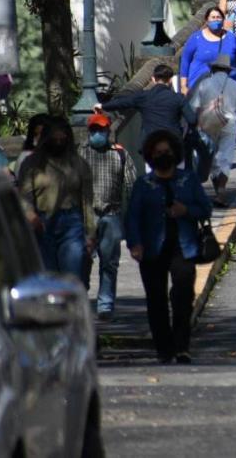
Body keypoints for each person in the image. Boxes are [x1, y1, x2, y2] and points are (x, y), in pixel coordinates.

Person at [126, 130, 212, 364]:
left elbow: (205, 208)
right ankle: (163, 348)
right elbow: (133, 216)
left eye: (167, 151)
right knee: (156, 300)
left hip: (184, 247)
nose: (163, 155)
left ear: (175, 153)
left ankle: (182, 346)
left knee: (183, 298)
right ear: (151, 156)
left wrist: (187, 211)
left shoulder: (188, 179)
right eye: (158, 152)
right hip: (152, 249)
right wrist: (134, 244)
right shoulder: (143, 184)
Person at [18, 117, 95, 282]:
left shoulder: (78, 164)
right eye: (55, 139)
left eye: (62, 139)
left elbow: (87, 200)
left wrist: (90, 233)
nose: (58, 142)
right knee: (49, 277)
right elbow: (24, 196)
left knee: (72, 276)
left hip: (72, 223)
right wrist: (30, 215)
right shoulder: (31, 164)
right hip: (43, 224)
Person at [78, 112, 137, 319]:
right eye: (94, 130)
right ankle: (81, 302)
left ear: (108, 130)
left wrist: (133, 219)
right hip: (87, 216)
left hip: (112, 215)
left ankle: (105, 305)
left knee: (109, 263)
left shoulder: (120, 154)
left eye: (101, 130)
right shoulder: (80, 154)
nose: (97, 134)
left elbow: (131, 186)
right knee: (83, 260)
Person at [185, 54, 236, 205]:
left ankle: (215, 190)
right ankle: (221, 191)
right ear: (228, 71)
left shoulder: (204, 84)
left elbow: (194, 106)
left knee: (211, 157)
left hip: (208, 123)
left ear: (213, 69)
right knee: (225, 158)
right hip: (229, 124)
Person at [99, 64, 186, 145]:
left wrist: (103, 106)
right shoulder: (178, 98)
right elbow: (192, 119)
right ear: (170, 80)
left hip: (151, 144)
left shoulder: (143, 96)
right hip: (174, 144)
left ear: (153, 79)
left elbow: (123, 102)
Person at [179, 6, 236, 94]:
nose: (216, 20)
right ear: (206, 20)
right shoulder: (196, 38)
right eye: (213, 17)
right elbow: (185, 62)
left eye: (218, 17)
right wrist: (183, 86)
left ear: (223, 20)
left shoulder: (231, 39)